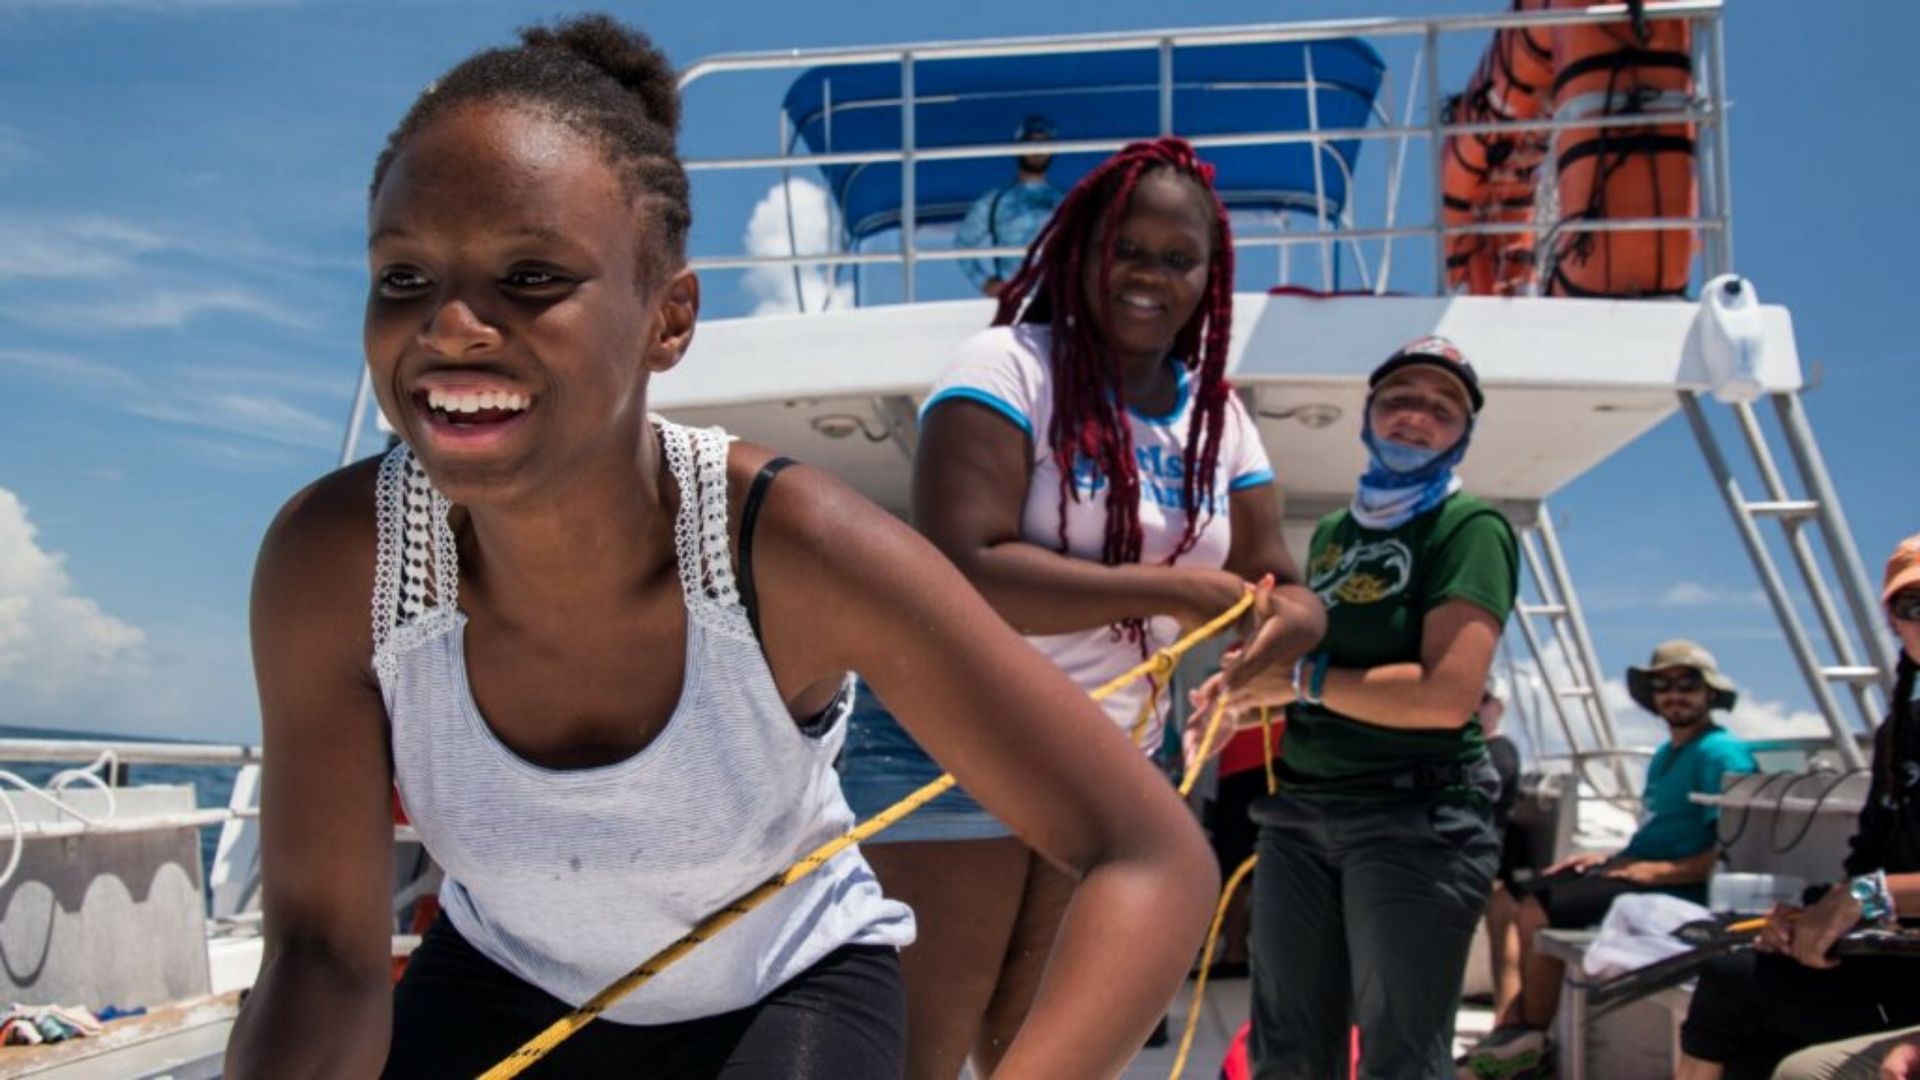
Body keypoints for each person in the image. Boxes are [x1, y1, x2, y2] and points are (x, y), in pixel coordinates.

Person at [222, 18, 1221, 1078]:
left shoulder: (787, 546)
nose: (453, 326)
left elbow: (1150, 855)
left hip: (783, 990)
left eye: (530, 276)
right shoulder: (336, 560)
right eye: (406, 280)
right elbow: (325, 956)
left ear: (669, 318)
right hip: (503, 973)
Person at [837, 136, 1326, 1078]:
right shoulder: (1007, 363)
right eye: (1126, 251)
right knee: (919, 1056)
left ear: (1209, 277)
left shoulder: (1219, 419)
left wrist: (1292, 631)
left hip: (1107, 765)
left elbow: (1280, 577)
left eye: (1178, 260)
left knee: (1041, 1058)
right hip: (955, 741)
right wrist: (1178, 591)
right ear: (1080, 249)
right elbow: (963, 568)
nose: (1149, 277)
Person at [1191, 335, 1519, 1080]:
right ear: (1368, 417)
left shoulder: (1472, 530)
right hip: (1301, 815)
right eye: (1400, 398)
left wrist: (1298, 683)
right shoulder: (1338, 532)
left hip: (1417, 821)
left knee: (1400, 1058)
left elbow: (1446, 696)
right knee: (1287, 1053)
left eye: (1442, 409)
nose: (1416, 417)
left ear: (1460, 435)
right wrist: (1240, 696)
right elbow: (1324, 672)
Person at [1674, 534, 1920, 1080]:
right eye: (1914, 605)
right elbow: (1869, 857)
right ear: (1895, 625)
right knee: (1738, 1005)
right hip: (1892, 959)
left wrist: (1864, 897)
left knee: (1741, 1003)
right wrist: (1806, 916)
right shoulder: (1898, 735)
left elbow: (1868, 885)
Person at [1462, 639, 1759, 1078]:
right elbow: (1660, 831)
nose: (1674, 694)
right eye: (1663, 684)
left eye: (1687, 685)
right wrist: (1609, 858)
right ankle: (1508, 1032)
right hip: (1638, 871)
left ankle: (1531, 1041)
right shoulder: (1665, 755)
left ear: (1709, 693)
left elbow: (1730, 849)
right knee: (1508, 898)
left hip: (1677, 887)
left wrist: (1651, 871)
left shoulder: (1720, 752)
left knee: (1535, 911)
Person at [954, 114, 1063, 297]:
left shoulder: (1064, 202)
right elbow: (963, 243)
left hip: (1053, 299)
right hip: (1012, 300)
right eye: (1031, 143)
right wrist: (984, 282)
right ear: (1018, 147)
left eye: (1044, 144)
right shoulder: (995, 201)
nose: (1037, 150)